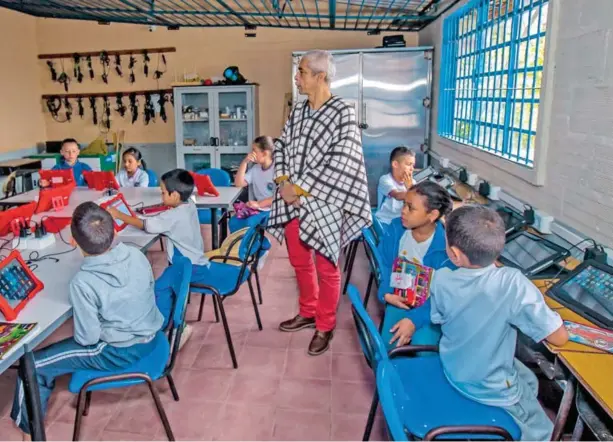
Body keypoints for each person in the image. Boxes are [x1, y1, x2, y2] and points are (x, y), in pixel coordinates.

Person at [390, 205, 569, 441]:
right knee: (545, 431)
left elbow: (442, 314)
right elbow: (559, 337)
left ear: (454, 253)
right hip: (488, 389)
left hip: (455, 368)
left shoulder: (442, 279)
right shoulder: (512, 284)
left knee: (528, 377)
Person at [10, 202, 163, 436]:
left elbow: (88, 338)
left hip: (119, 351)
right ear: (115, 231)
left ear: (73, 241)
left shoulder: (83, 282)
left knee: (31, 365)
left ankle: (29, 430)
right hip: (150, 335)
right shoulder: (135, 253)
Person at [268, 50, 372, 356]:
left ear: (320, 76)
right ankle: (308, 310)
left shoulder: (343, 111)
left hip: (326, 202)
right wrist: (284, 180)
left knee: (327, 265)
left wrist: (299, 187)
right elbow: (282, 145)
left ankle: (325, 325)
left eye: (301, 72)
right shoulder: (298, 111)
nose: (297, 78)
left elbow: (343, 160)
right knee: (299, 261)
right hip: (292, 201)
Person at [106, 168, 210, 347]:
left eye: (163, 192)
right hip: (194, 260)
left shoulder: (173, 215)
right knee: (165, 290)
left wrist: (118, 215)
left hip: (187, 266)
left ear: (175, 195)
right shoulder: (188, 205)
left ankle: (171, 328)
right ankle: (175, 324)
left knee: (158, 289)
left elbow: (147, 225)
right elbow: (162, 220)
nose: (161, 195)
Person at [377, 181, 456, 348]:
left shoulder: (445, 249)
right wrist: (385, 294)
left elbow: (444, 296)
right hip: (399, 301)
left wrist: (415, 319)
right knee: (386, 347)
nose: (403, 211)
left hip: (430, 310)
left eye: (410, 208)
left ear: (432, 215)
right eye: (404, 204)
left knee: (423, 347)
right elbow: (383, 265)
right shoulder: (396, 230)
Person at [229, 136, 275, 232]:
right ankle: (250, 245)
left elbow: (280, 196)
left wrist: (259, 204)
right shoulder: (255, 169)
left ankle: (255, 244)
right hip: (257, 208)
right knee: (233, 222)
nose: (251, 153)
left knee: (249, 223)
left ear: (265, 153)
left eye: (254, 150)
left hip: (272, 210)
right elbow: (239, 183)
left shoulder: (277, 169)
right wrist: (245, 162)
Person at [376, 146, 416, 225]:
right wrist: (411, 188)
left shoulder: (413, 182)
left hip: (402, 221)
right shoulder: (385, 180)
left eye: (413, 165)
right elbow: (397, 195)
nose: (412, 169)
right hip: (385, 221)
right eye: (409, 164)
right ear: (395, 164)